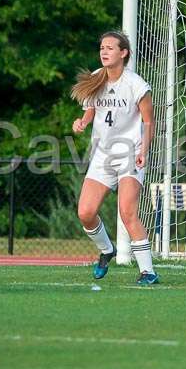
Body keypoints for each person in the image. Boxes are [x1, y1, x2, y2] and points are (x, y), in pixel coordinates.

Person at [70, 31, 157, 285]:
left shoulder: (136, 84)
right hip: (103, 155)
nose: (104, 51)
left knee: (127, 211)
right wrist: (83, 121)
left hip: (130, 153)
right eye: (102, 47)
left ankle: (147, 271)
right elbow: (90, 108)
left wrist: (144, 151)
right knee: (85, 212)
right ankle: (107, 250)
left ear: (124, 53)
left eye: (110, 47)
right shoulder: (97, 77)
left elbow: (149, 121)